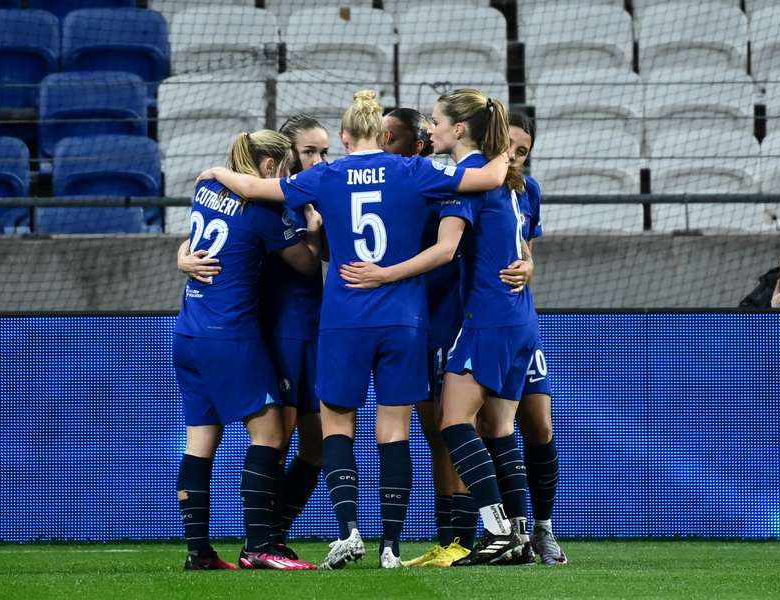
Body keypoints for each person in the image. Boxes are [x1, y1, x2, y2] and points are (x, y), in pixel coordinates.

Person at [195, 90, 510, 570]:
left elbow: (259, 190)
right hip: (404, 318)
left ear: (343, 136)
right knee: (395, 431)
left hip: (344, 318)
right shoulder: (414, 170)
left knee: (337, 425)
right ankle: (391, 547)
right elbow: (485, 176)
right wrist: (505, 149)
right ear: (384, 135)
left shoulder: (325, 175)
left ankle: (348, 533)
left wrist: (217, 173)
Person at [339, 88, 536, 566]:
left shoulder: (467, 177)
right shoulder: (507, 178)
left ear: (459, 129)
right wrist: (527, 265)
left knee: (453, 423)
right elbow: (519, 244)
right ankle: (520, 534)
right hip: (520, 316)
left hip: (486, 316)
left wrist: (384, 273)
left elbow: (447, 250)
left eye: (436, 121)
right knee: (500, 426)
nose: (431, 129)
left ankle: (498, 530)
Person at [179, 116, 330, 560]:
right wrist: (314, 232)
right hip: (239, 335)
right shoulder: (265, 208)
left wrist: (184, 255)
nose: (317, 162)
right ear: (270, 165)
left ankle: (200, 552)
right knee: (271, 436)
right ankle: (262, 545)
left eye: (325, 152)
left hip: (190, 329)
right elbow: (306, 262)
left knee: (201, 441)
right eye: (304, 155)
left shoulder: (207, 191)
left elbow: (202, 234)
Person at [495, 111, 567, 565]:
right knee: (490, 426)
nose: (516, 156)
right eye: (510, 146)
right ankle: (508, 531)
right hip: (481, 321)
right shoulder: (473, 184)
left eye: (523, 151)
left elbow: (527, 252)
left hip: (522, 318)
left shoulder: (529, 190)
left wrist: (530, 266)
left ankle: (543, 528)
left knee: (539, 424)